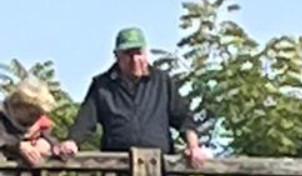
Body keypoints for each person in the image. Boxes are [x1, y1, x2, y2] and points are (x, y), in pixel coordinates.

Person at [62, 28, 208, 163]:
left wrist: (193, 147)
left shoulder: (162, 82)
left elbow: (183, 118)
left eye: (138, 53)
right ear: (117, 56)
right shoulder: (102, 86)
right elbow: (85, 121)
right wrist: (72, 142)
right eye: (128, 54)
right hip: (118, 171)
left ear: (146, 53)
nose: (135, 60)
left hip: (161, 170)